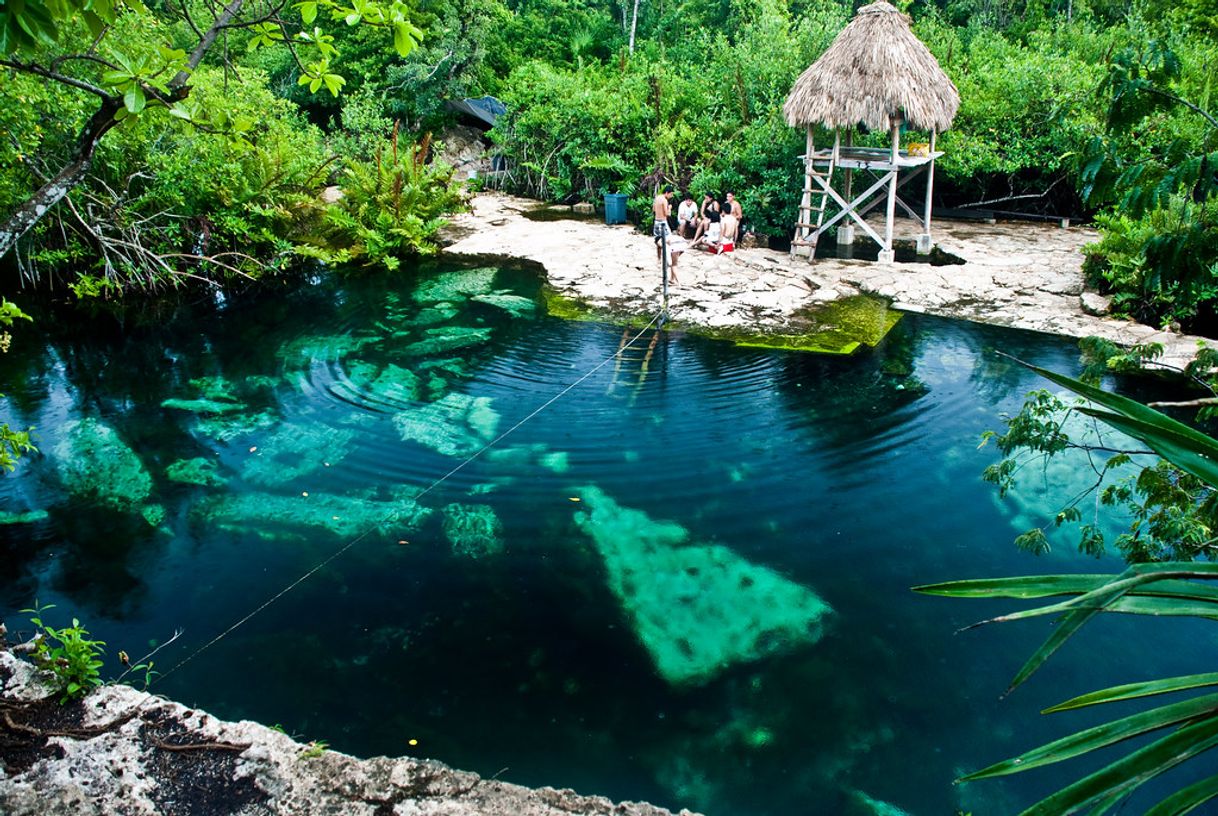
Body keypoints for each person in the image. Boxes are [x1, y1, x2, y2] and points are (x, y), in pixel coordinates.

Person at [652, 187, 673, 263]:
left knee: (658, 238)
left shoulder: (657, 198)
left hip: (656, 221)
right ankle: (668, 257)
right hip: (663, 222)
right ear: (667, 192)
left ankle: (659, 258)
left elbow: (653, 209)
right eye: (671, 194)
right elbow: (667, 213)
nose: (671, 196)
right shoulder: (664, 200)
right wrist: (669, 208)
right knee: (668, 239)